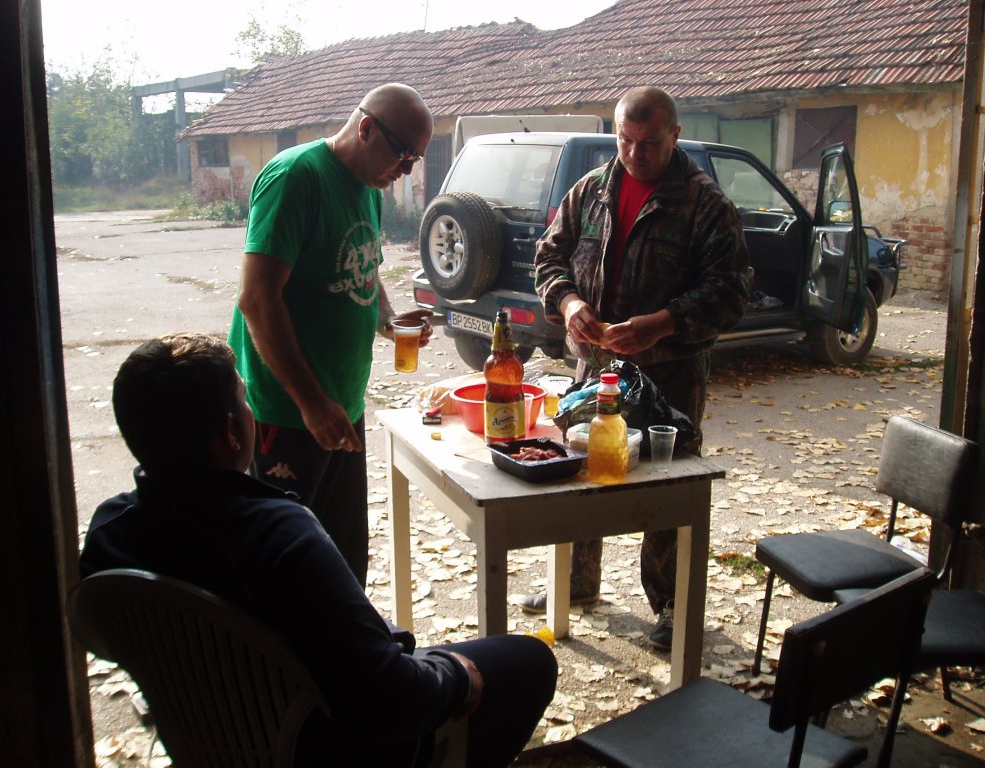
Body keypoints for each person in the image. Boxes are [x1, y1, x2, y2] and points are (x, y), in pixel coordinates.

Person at [80, 334, 557, 768]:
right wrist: (453, 674)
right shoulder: (277, 535)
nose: (250, 409)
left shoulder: (110, 533)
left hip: (204, 734)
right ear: (231, 432)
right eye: (244, 398)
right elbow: (387, 699)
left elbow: (98, 630)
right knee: (529, 661)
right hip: (318, 744)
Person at [531, 86, 750, 650]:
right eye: (625, 141)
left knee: (667, 488)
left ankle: (671, 603)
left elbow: (731, 292)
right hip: (595, 369)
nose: (634, 154)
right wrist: (569, 304)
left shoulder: (705, 204)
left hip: (669, 374)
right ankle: (576, 579)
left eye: (648, 143)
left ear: (675, 135)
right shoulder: (592, 191)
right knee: (583, 473)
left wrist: (663, 323)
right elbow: (549, 257)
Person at [229, 83, 435, 587]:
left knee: (342, 560)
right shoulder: (296, 177)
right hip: (288, 411)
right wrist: (310, 402)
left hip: (341, 404)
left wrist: (388, 321)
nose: (406, 170)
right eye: (404, 154)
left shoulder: (368, 188)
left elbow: (366, 268)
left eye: (415, 159)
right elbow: (257, 299)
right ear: (366, 128)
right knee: (286, 572)